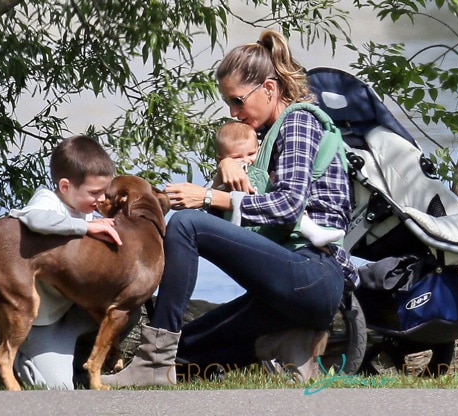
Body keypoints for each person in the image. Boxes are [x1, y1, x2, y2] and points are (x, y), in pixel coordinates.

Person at [101, 29, 358, 387]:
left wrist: (206, 198)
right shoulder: (264, 139)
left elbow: (286, 207)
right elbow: (240, 230)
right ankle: (285, 341)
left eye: (238, 101)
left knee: (186, 224)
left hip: (313, 275)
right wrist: (226, 173)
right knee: (187, 352)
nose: (233, 113)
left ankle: (153, 364)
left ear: (269, 89)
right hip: (281, 292)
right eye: (228, 104)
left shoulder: (300, 122)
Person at [0, 135, 139, 390]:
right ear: (65, 186)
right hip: (42, 324)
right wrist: (85, 227)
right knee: (58, 389)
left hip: (73, 312)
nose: (101, 199)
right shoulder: (48, 201)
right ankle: (8, 345)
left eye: (105, 191)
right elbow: (34, 219)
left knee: (126, 309)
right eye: (94, 192)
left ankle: (80, 363)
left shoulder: (88, 210)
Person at [213, 120, 345, 247]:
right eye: (237, 157)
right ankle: (313, 232)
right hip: (244, 226)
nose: (246, 160)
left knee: (288, 211)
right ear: (221, 158)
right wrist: (225, 167)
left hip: (266, 221)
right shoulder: (229, 174)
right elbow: (213, 193)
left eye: (251, 153)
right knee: (286, 214)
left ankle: (315, 233)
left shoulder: (262, 167)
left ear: (258, 148)